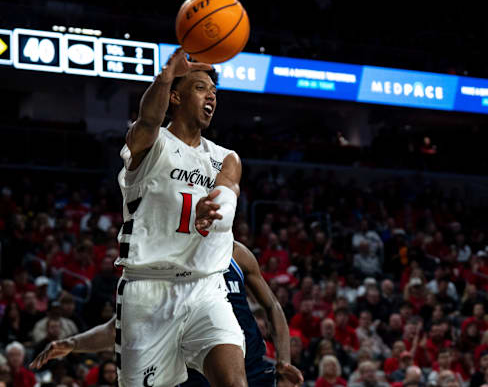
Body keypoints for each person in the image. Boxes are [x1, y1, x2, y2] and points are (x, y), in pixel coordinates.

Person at [113, 46, 244, 387]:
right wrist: (166, 74)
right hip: (148, 287)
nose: (211, 97)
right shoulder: (150, 145)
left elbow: (228, 189)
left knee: (234, 380)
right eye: (201, 88)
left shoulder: (225, 156)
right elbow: (147, 121)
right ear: (175, 97)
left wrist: (214, 210)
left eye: (214, 92)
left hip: (205, 287)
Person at [29, 242, 304, 387]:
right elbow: (119, 328)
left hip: (254, 368)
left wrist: (284, 361)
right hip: (196, 374)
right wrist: (73, 344)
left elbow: (273, 307)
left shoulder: (237, 253)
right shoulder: (161, 267)